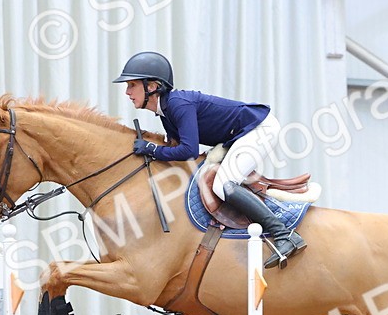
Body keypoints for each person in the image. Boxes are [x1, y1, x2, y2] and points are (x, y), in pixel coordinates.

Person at [114, 51, 306, 268]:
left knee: (224, 185)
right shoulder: (166, 113)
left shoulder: (178, 104)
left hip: (258, 128)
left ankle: (285, 235)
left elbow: (188, 151)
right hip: (237, 134)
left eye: (131, 85)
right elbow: (177, 150)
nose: (127, 92)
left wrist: (151, 148)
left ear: (151, 87)